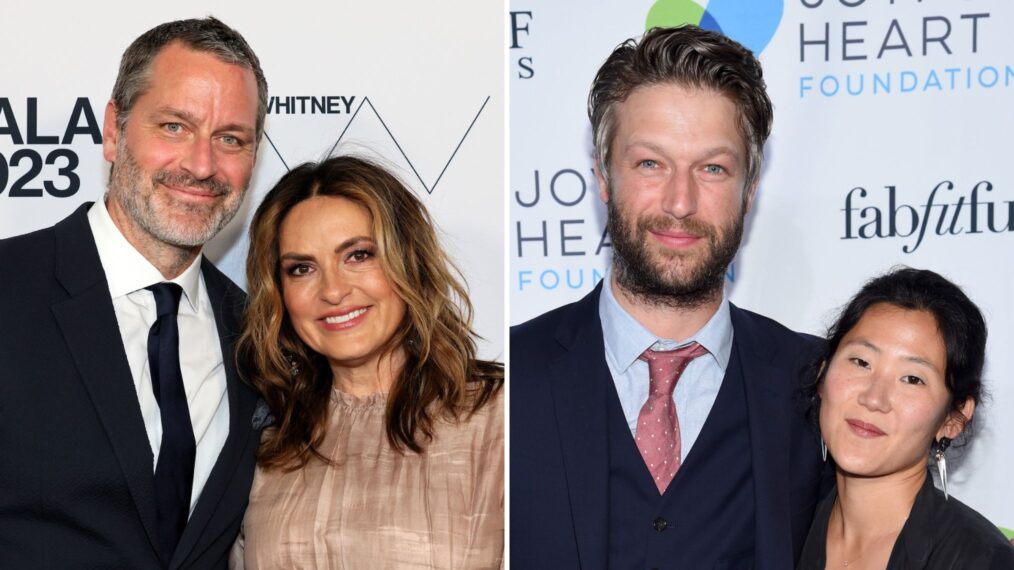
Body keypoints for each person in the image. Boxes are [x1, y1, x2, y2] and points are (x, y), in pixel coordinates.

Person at [510, 25, 831, 569]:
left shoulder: (817, 383)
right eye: (650, 164)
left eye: (712, 168)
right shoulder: (511, 378)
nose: (680, 203)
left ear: (749, 189)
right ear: (604, 178)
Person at [0, 17, 267, 568]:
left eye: (230, 139)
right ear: (114, 130)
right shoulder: (9, 286)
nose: (201, 165)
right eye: (174, 126)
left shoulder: (259, 335)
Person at [230, 156, 504, 568]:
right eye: (302, 268)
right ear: (279, 294)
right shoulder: (265, 436)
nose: (334, 291)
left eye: (358, 255)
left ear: (408, 262)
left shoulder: (498, 416)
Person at [799, 268, 1014, 569]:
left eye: (912, 379)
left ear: (953, 418)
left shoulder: (978, 559)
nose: (874, 398)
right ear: (823, 374)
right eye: (861, 362)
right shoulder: (784, 533)